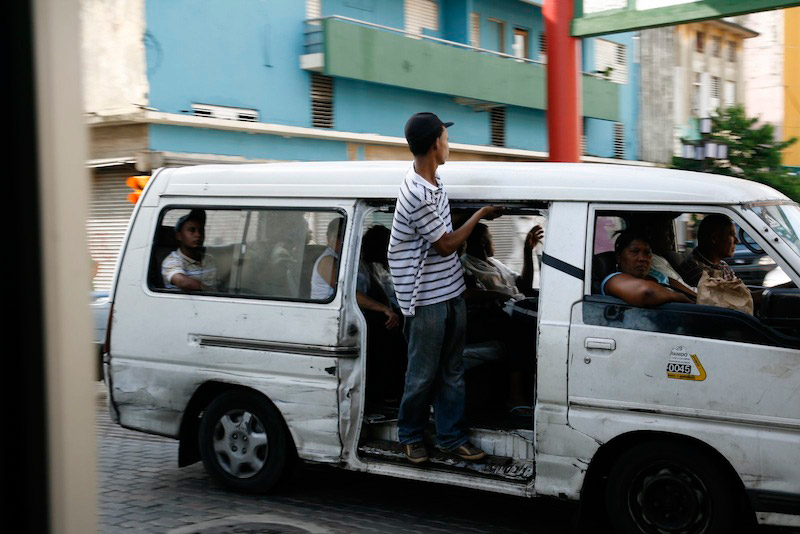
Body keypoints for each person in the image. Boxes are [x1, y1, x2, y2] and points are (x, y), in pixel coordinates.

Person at [388, 111, 500, 465]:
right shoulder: (415, 191)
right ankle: (409, 435)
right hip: (424, 300)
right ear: (436, 142)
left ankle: (451, 437)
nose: (449, 144)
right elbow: (445, 244)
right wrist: (480, 214)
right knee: (422, 374)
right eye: (446, 138)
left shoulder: (435, 181)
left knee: (452, 370)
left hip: (450, 292)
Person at [460, 222, 543, 412]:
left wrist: (527, 251)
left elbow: (524, 286)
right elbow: (465, 294)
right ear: (481, 242)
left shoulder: (495, 263)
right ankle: (515, 396)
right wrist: (498, 295)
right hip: (492, 315)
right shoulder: (465, 265)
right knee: (522, 331)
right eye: (491, 239)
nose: (493, 243)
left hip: (516, 306)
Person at [602, 229, 693, 307]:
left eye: (647, 253)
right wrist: (680, 297)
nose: (642, 258)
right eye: (634, 251)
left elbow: (693, 296)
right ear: (619, 256)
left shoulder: (659, 276)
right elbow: (647, 292)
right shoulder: (613, 280)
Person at [162, 209, 218, 291]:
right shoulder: (171, 261)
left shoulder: (210, 259)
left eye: (201, 231)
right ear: (179, 236)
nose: (198, 235)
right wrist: (210, 292)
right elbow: (182, 282)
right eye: (192, 230)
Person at [678, 214, 739, 288]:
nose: (737, 241)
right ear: (714, 238)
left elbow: (739, 292)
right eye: (731, 235)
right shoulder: (698, 271)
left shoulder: (723, 265)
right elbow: (732, 297)